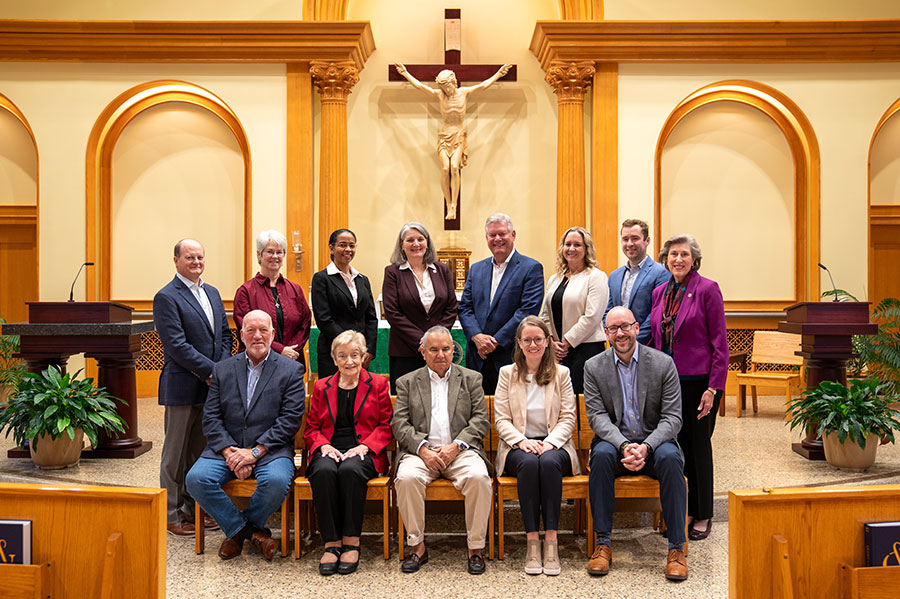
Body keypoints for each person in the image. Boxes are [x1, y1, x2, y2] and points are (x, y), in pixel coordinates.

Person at [185, 310, 305, 561]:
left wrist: (254, 452)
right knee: (196, 478)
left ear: (273, 334)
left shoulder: (291, 370)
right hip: (226, 449)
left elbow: (289, 420)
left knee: (276, 481)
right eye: (251, 330)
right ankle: (250, 532)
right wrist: (230, 452)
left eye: (263, 330)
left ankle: (237, 533)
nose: (257, 336)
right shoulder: (222, 369)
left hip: (270, 451)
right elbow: (211, 417)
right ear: (242, 335)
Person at [584, 306, 688, 581]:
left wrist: (646, 447)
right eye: (614, 328)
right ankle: (603, 543)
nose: (621, 333)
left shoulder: (663, 363)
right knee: (602, 457)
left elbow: (673, 418)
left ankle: (677, 549)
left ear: (637, 327)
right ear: (606, 333)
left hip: (654, 442)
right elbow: (597, 417)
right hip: (615, 443)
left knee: (671, 458)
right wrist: (623, 445)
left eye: (625, 326)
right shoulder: (593, 367)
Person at [391, 326, 492, 575]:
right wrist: (423, 448)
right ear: (422, 352)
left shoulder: (470, 378)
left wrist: (456, 446)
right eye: (433, 349)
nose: (440, 355)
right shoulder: (407, 382)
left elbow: (481, 419)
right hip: (420, 453)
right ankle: (417, 546)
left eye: (446, 349)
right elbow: (399, 423)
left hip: (460, 450)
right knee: (406, 478)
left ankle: (476, 548)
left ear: (453, 350)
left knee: (479, 478)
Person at [649, 233, 728, 542]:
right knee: (674, 448)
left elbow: (720, 344)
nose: (678, 259)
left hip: (699, 384)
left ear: (694, 259)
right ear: (665, 259)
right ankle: (682, 509)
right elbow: (656, 340)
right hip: (667, 383)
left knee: (697, 448)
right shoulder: (659, 292)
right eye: (673, 254)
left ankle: (703, 512)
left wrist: (713, 389)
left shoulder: (707, 290)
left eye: (684, 254)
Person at [153, 238, 231, 536]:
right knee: (175, 453)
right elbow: (176, 345)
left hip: (210, 386)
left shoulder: (211, 293)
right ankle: (170, 514)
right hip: (182, 385)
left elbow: (224, 335)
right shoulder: (166, 297)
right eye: (189, 258)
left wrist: (219, 371)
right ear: (176, 261)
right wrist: (212, 371)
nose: (196, 262)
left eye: (200, 257)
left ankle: (190, 508)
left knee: (198, 452)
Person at [493, 316, 579, 576]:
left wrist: (550, 443)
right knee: (530, 464)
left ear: (548, 341)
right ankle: (532, 540)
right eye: (527, 340)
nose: (533, 344)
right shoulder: (507, 374)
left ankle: (551, 540)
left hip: (556, 443)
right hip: (517, 445)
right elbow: (501, 419)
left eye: (538, 339)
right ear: (519, 343)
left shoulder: (561, 373)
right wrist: (522, 441)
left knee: (550, 463)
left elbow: (568, 417)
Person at [304, 330, 393, 576]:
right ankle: (332, 543)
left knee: (350, 470)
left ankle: (351, 540)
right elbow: (311, 427)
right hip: (329, 446)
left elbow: (386, 425)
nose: (349, 361)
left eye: (355, 355)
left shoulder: (377, 384)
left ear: (364, 356)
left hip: (365, 449)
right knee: (322, 471)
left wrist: (366, 446)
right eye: (342, 356)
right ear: (334, 359)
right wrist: (323, 445)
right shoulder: (322, 386)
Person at [394, 63, 512, 220]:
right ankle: (448, 203)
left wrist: (499, 74)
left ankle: (453, 205)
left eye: (448, 87)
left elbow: (483, 85)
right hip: (444, 136)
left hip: (458, 136)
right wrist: (405, 74)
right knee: (445, 169)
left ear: (453, 83)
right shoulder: (440, 95)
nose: (446, 91)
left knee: (454, 167)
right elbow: (421, 87)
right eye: (443, 88)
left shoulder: (464, 92)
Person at [458, 213, 544, 394]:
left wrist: (494, 342)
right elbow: (465, 307)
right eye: (492, 235)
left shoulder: (531, 268)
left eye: (502, 234)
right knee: (477, 413)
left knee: (512, 414)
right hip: (477, 357)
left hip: (510, 355)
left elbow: (527, 311)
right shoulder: (476, 269)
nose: (497, 239)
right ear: (486, 238)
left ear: (513, 235)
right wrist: (477, 337)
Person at [382, 222, 458, 394]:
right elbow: (392, 313)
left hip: (438, 352)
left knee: (438, 398)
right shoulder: (393, 272)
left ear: (427, 242)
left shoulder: (442, 269)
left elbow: (451, 307)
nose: (416, 244)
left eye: (420, 239)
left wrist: (434, 341)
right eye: (410, 240)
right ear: (402, 244)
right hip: (405, 350)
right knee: (407, 400)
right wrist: (422, 341)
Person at [539, 226, 609, 394]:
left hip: (585, 350)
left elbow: (591, 317)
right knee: (558, 398)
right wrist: (550, 342)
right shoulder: (555, 279)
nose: (571, 249)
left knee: (582, 400)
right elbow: (545, 315)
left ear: (586, 249)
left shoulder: (596, 277)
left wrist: (566, 343)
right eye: (567, 244)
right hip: (557, 351)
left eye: (577, 245)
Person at [234, 230, 311, 368]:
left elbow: (305, 323)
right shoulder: (245, 291)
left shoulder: (295, 289)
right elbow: (246, 328)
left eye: (279, 252)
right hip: (257, 362)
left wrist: (291, 350)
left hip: (292, 361)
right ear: (259, 254)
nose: (275, 256)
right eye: (270, 252)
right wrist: (280, 350)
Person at [310, 229, 378, 379]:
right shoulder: (322, 279)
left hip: (361, 355)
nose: (348, 249)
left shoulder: (362, 279)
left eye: (352, 246)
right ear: (332, 248)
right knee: (334, 399)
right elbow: (324, 319)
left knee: (361, 398)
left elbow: (371, 318)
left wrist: (369, 350)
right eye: (342, 245)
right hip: (333, 353)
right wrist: (349, 348)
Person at [604, 219, 670, 345]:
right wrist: (614, 337)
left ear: (647, 241)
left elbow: (657, 314)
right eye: (625, 239)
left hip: (647, 346)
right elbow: (608, 312)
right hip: (618, 346)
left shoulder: (661, 272)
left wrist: (633, 341)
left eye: (635, 238)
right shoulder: (614, 276)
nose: (629, 244)